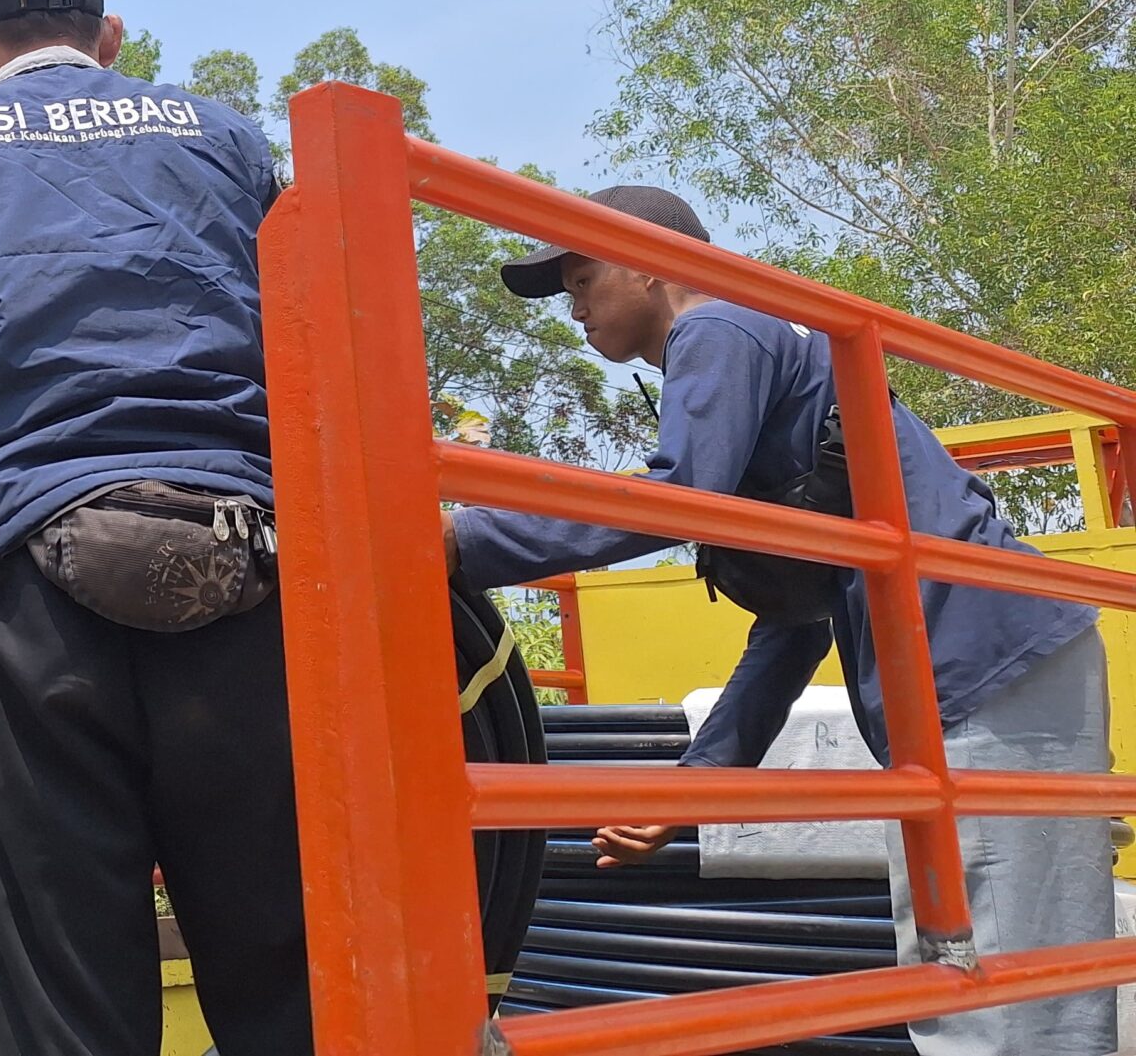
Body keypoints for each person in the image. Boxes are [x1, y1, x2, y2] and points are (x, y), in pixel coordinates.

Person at [444, 184, 1114, 1056]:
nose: (572, 307)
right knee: (984, 977)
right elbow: (798, 614)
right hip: (974, 668)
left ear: (648, 261)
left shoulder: (717, 329)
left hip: (983, 663)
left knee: (1006, 996)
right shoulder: (766, 350)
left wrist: (465, 537)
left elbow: (677, 499)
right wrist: (697, 784)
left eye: (580, 276)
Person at [0, 0, 305, 1055]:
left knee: (67, 999)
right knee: (290, 972)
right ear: (107, 36)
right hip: (252, 568)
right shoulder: (232, 142)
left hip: (29, 592)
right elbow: (319, 366)